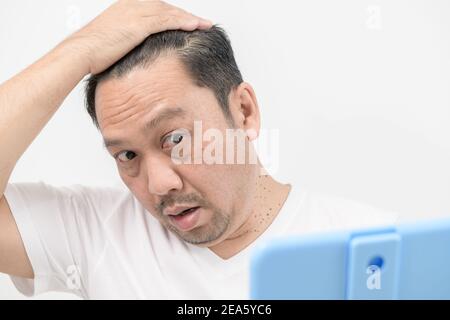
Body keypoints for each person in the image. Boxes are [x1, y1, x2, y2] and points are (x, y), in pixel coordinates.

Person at [0, 0, 397, 299]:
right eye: (127, 156)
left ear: (244, 111)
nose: (158, 184)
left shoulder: (371, 248)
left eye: (175, 139)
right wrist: (80, 49)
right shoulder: (93, 233)